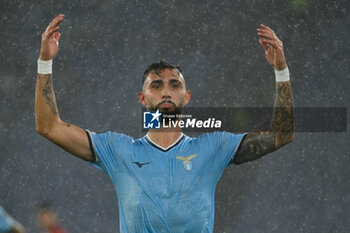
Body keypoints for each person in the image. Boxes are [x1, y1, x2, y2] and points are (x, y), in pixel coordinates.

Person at [35, 14, 294, 233]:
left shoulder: (213, 147)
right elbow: (49, 126)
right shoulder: (118, 150)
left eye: (175, 85)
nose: (166, 92)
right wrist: (45, 63)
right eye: (156, 86)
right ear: (142, 98)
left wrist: (281, 69)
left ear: (187, 95)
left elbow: (282, 134)